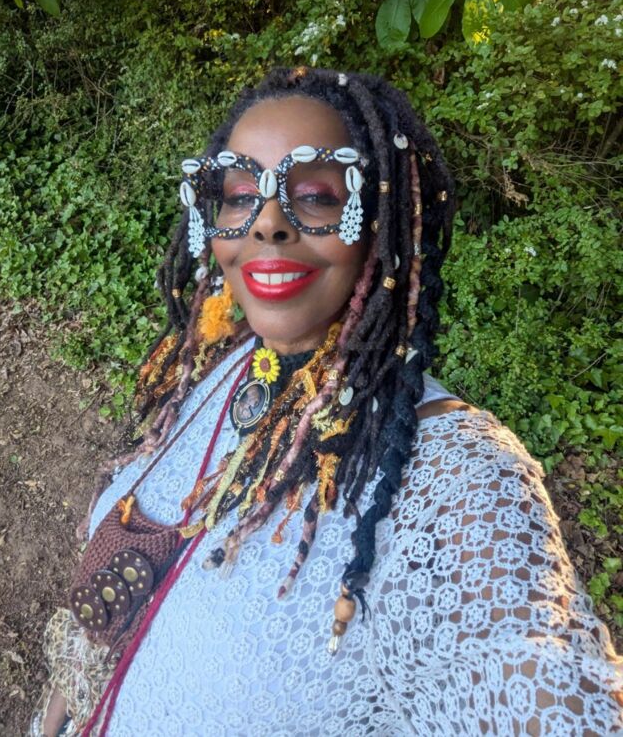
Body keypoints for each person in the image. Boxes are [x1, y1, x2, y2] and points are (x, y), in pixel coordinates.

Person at [34, 67, 623, 736]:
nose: (267, 224)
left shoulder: (458, 483)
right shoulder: (218, 369)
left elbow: (542, 685)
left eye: (315, 195)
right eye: (240, 195)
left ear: (380, 222)